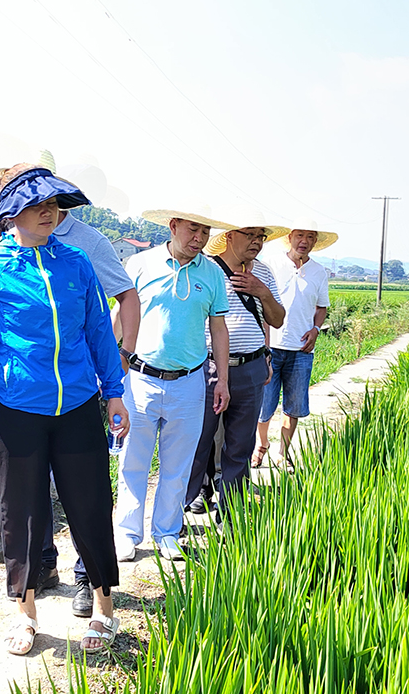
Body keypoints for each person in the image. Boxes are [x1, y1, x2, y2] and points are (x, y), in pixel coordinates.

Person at [0, 164, 129, 655]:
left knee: (91, 503)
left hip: (77, 403)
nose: (48, 211)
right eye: (36, 204)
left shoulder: (75, 262)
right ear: (11, 211)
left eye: (54, 204)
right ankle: (25, 610)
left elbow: (98, 329)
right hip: (16, 406)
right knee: (22, 512)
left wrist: (113, 391)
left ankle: (102, 606)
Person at [114, 205, 236, 564]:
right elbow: (120, 316)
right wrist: (110, 373)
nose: (199, 239)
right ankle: (126, 533)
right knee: (132, 460)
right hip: (140, 378)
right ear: (173, 226)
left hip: (189, 381)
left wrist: (223, 381)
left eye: (205, 233)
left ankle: (166, 532)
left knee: (178, 464)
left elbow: (218, 327)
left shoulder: (212, 274)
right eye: (192, 230)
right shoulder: (140, 265)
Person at [185, 221, 286, 516]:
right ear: (229, 237)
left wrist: (262, 292)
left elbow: (277, 320)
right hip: (208, 367)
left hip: (251, 366)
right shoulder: (207, 269)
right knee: (198, 440)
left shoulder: (263, 273)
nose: (256, 241)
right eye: (250, 235)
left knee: (240, 445)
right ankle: (180, 512)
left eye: (261, 237)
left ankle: (231, 512)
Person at [255, 221, 337, 470]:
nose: (304, 241)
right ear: (290, 237)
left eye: (310, 237)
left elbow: (321, 307)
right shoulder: (272, 265)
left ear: (315, 242)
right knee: (263, 404)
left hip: (301, 350)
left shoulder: (319, 272)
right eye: (300, 235)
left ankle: (283, 452)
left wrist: (315, 330)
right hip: (272, 347)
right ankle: (260, 446)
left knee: (294, 404)